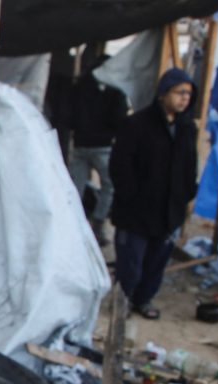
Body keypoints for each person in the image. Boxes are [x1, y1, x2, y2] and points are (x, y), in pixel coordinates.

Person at [108, 67, 199, 319]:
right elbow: (120, 165)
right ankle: (122, 301)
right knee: (131, 264)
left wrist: (186, 194)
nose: (185, 98)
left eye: (189, 94)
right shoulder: (136, 124)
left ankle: (143, 299)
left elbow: (189, 166)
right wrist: (131, 195)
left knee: (156, 262)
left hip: (169, 211)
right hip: (136, 211)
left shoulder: (186, 128)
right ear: (163, 93)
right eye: (180, 92)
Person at [68, 55, 129, 245]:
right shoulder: (114, 90)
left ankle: (71, 225)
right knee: (109, 186)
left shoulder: (79, 87)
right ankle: (98, 224)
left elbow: (70, 115)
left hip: (80, 144)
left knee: (74, 188)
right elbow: (120, 119)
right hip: (102, 146)